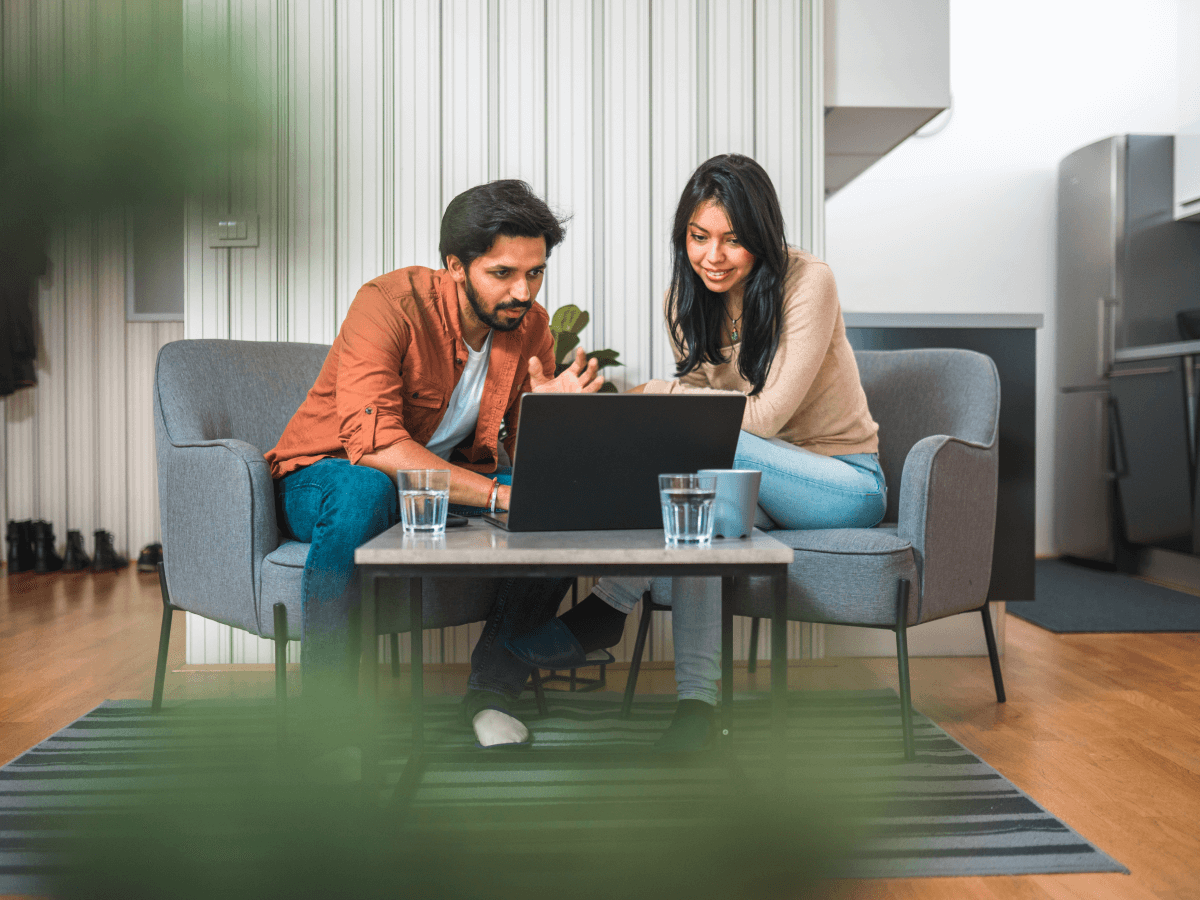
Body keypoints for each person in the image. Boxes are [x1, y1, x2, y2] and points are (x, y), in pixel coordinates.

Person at [508, 154, 886, 751]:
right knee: (697, 503)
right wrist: (677, 409)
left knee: (694, 444)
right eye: (699, 237)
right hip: (749, 488)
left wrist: (657, 393)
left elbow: (761, 419)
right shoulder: (684, 302)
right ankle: (697, 711)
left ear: (761, 237)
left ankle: (610, 600)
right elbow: (710, 425)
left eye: (733, 241)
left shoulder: (808, 281)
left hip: (838, 484)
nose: (713, 256)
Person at [265, 179, 604, 748]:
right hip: (325, 475)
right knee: (365, 490)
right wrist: (497, 496)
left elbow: (525, 460)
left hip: (433, 489)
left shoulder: (532, 328)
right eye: (502, 274)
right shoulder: (388, 304)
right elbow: (374, 446)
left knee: (560, 504)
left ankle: (491, 695)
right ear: (455, 266)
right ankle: (323, 713)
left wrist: (553, 422)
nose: (523, 292)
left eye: (536, 272)